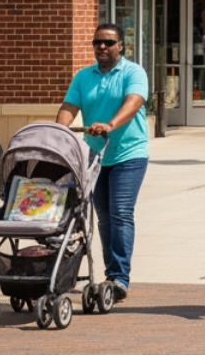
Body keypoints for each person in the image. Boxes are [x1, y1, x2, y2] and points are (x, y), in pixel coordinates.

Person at [57, 23, 149, 303]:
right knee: (104, 216)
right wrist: (58, 132)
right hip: (95, 155)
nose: (102, 47)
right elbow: (69, 107)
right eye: (98, 42)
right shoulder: (84, 76)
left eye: (109, 42)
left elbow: (134, 102)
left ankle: (120, 277)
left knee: (121, 212)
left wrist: (110, 124)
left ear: (121, 45)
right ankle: (111, 274)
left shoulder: (133, 72)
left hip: (129, 153)